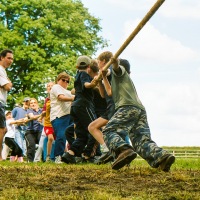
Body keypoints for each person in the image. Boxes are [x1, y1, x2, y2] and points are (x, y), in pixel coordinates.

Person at [101, 56, 175, 171]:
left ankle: (123, 150)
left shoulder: (120, 73)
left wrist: (114, 63)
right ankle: (162, 156)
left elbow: (116, 68)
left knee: (108, 131)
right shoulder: (122, 82)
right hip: (139, 110)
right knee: (140, 140)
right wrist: (104, 77)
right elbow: (110, 93)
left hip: (127, 108)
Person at [62, 56, 99, 164]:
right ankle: (87, 155)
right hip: (84, 105)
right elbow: (86, 84)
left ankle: (70, 154)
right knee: (95, 129)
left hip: (75, 107)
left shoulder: (77, 75)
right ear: (89, 66)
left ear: (77, 66)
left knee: (82, 134)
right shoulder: (84, 74)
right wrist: (92, 83)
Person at [50, 72, 74, 164]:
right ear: (58, 80)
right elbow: (61, 98)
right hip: (58, 116)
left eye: (67, 81)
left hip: (68, 116)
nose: (65, 82)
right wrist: (73, 98)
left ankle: (71, 156)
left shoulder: (67, 92)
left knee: (71, 136)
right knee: (61, 136)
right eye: (63, 80)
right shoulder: (56, 87)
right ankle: (57, 157)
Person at [0, 49, 13, 161]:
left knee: (3, 129)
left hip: (2, 102)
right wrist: (9, 82)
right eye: (8, 58)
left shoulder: (3, 71)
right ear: (1, 58)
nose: (11, 61)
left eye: (12, 58)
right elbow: (8, 87)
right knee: (2, 129)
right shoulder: (0, 69)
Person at [38, 82, 55, 162]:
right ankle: (48, 156)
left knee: (59, 139)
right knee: (50, 138)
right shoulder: (47, 100)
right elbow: (44, 111)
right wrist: (41, 117)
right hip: (48, 123)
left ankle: (60, 156)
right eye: (48, 86)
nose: (50, 87)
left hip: (56, 122)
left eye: (51, 86)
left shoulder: (57, 97)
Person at [24, 98, 43, 162]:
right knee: (31, 145)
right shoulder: (29, 111)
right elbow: (32, 117)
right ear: (29, 105)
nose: (33, 104)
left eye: (34, 102)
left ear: (37, 104)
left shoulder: (41, 110)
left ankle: (43, 160)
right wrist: (42, 115)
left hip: (40, 131)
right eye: (31, 103)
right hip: (30, 132)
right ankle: (30, 161)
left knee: (42, 145)